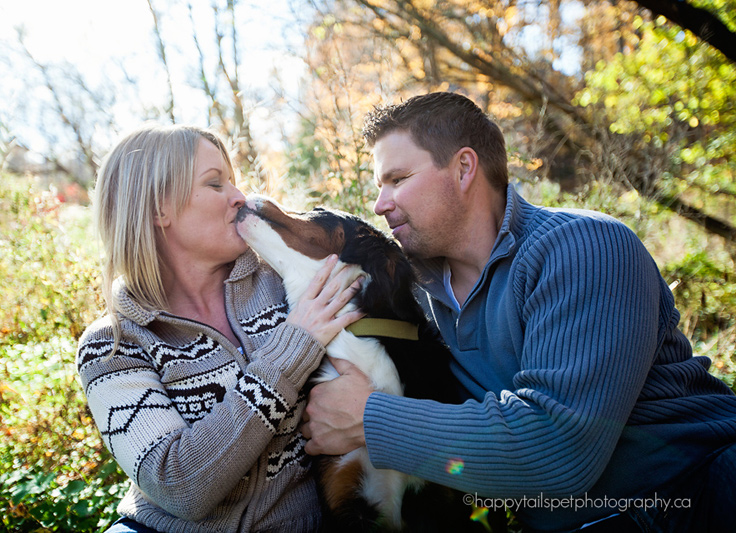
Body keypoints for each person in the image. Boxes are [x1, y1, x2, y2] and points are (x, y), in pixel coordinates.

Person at [300, 92, 736, 532]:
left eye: (397, 179)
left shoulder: (584, 248)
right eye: (379, 185)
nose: (380, 204)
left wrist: (371, 419)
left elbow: (560, 451)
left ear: (464, 168)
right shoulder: (413, 298)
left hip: (693, 495)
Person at [76, 124, 363, 532]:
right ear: (160, 210)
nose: (239, 197)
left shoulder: (286, 285)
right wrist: (292, 347)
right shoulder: (113, 345)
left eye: (232, 180)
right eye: (215, 184)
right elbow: (180, 485)